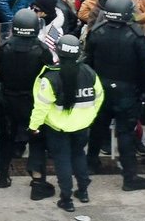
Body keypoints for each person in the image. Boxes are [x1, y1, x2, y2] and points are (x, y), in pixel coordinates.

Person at [83, 0, 145, 191]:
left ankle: (91, 163)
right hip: (127, 92)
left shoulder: (96, 32)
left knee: (98, 128)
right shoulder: (136, 36)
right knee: (125, 133)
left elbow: (88, 62)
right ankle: (129, 177)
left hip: (101, 90)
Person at [29, 35, 103, 212]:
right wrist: (89, 117)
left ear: (58, 52)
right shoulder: (89, 72)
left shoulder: (51, 77)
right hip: (82, 126)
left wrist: (34, 126)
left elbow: (41, 106)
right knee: (79, 156)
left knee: (62, 161)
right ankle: (83, 192)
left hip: (58, 128)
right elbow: (99, 97)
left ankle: (66, 199)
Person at [0, 8, 52, 193]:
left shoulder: (4, 49)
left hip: (8, 99)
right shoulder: (42, 50)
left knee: (6, 140)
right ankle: (38, 182)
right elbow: (48, 77)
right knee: (37, 140)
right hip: (33, 102)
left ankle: (1, 176)